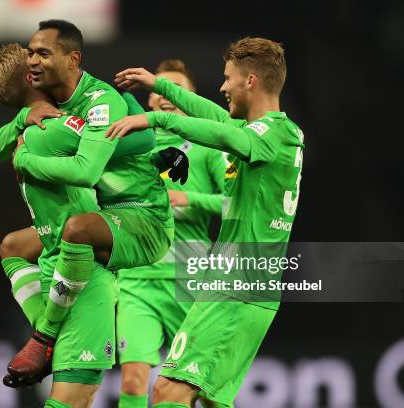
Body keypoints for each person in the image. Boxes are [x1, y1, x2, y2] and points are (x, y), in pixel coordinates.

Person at [106, 37, 305, 407]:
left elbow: (217, 131)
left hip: (235, 286)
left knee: (169, 391)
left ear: (250, 81)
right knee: (212, 399)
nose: (222, 86)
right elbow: (213, 118)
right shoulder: (272, 133)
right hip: (244, 285)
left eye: (228, 78)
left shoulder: (272, 135)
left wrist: (157, 116)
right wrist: (160, 85)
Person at [2, 19, 179, 380]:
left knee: (77, 229)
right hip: (107, 214)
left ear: (73, 59)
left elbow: (87, 171)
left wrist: (24, 159)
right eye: (30, 53)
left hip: (142, 219)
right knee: (13, 246)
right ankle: (47, 326)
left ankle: (44, 334)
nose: (33, 61)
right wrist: (23, 116)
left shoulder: (100, 101)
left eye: (43, 53)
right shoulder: (51, 108)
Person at [115, 59, 226, 408]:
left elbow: (234, 204)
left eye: (176, 89)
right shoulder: (134, 144)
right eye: (160, 89)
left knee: (203, 388)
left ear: (190, 97)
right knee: (133, 381)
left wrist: (188, 198)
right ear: (150, 100)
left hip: (188, 278)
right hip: (137, 277)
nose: (166, 96)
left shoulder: (209, 146)